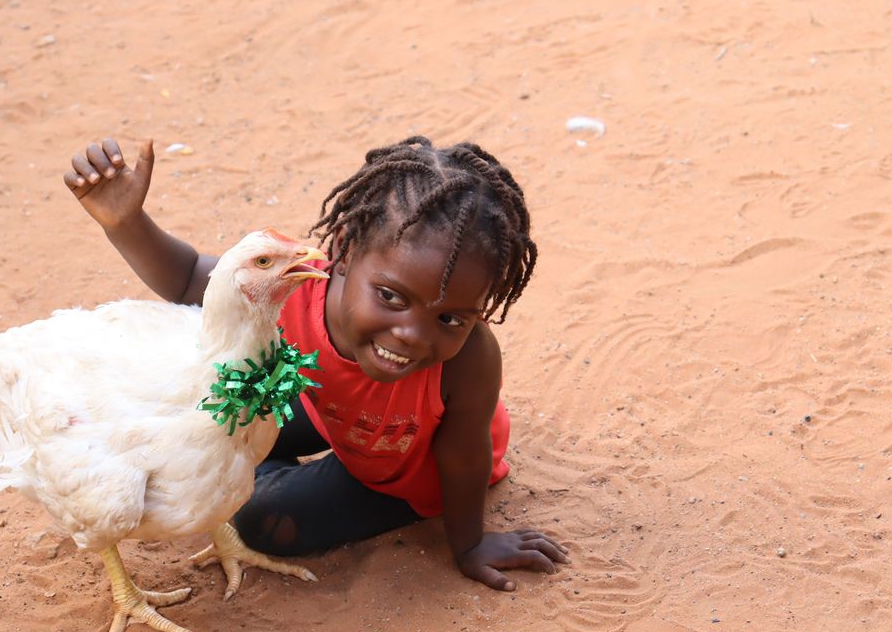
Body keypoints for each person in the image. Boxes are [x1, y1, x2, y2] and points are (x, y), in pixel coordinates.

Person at [64, 135, 568, 591]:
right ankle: (256, 464)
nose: (413, 335)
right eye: (391, 297)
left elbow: (464, 455)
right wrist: (126, 223)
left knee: (261, 520)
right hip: (337, 415)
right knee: (223, 411)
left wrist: (470, 544)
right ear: (343, 251)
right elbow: (190, 277)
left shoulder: (470, 360)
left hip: (411, 469)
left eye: (451, 319)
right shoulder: (298, 286)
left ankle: (263, 477)